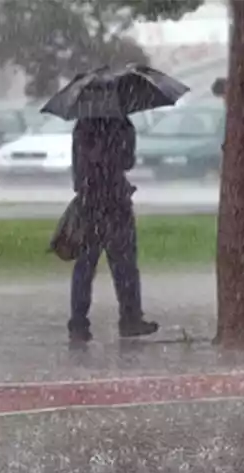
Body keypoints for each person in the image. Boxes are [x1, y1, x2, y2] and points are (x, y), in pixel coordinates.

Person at [68, 116, 158, 342]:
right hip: (116, 202)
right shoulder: (122, 124)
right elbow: (127, 162)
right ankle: (130, 318)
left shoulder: (82, 125)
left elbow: (78, 168)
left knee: (85, 266)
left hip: (89, 202)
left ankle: (78, 323)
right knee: (124, 265)